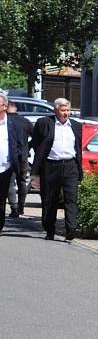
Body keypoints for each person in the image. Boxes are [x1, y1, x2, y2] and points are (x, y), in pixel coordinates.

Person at [31, 98, 83, 241]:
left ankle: (71, 229)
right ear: (55, 111)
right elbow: (35, 143)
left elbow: (78, 148)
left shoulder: (76, 126)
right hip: (50, 166)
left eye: (68, 110)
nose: (66, 113)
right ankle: (49, 230)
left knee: (71, 199)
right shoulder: (45, 123)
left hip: (70, 166)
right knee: (50, 199)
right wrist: (37, 168)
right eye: (63, 110)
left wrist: (79, 169)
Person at [0, 92, 26, 233]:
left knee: (2, 198)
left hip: (6, 167)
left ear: (4, 107)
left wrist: (20, 162)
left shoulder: (12, 125)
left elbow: (20, 145)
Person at [6, 100, 32, 218]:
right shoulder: (25, 121)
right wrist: (28, 147)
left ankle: (14, 207)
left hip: (10, 156)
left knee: (10, 183)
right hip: (23, 156)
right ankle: (21, 207)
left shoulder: (5, 121)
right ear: (15, 109)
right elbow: (36, 137)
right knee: (22, 181)